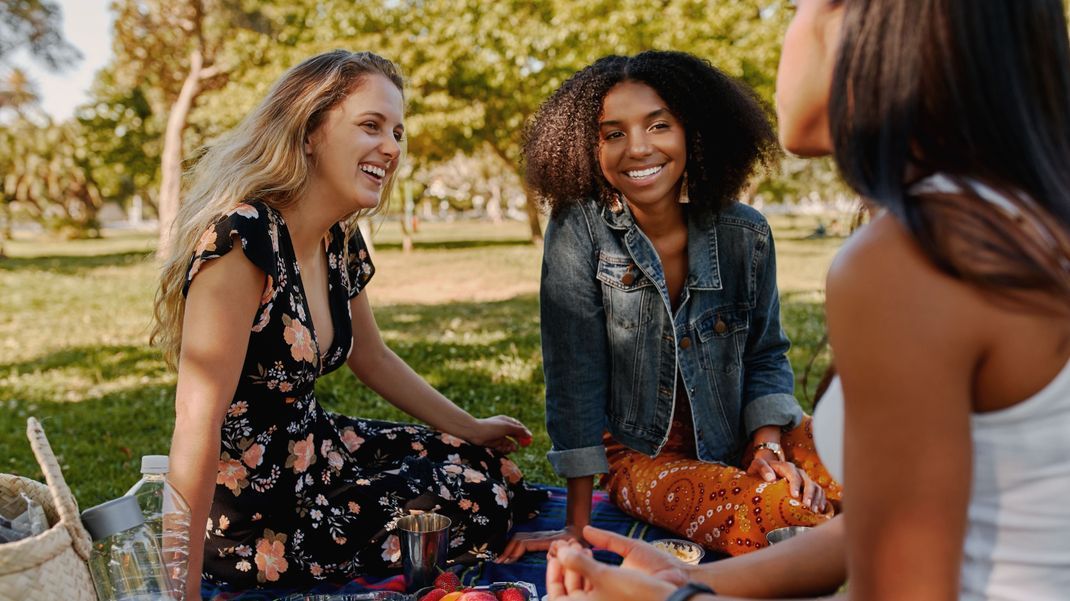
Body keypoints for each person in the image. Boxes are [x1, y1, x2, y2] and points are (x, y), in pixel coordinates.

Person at [545, 0, 1070, 599]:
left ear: (867, 27)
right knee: (782, 500)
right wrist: (688, 577)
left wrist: (678, 598)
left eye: (799, 6)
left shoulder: (911, 256)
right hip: (649, 457)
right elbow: (880, 528)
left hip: (745, 446)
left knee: (793, 493)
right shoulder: (1017, 220)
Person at [151, 50, 548, 597]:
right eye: (371, 125)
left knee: (481, 465)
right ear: (310, 131)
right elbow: (196, 419)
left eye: (398, 132)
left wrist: (472, 426)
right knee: (471, 497)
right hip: (256, 517)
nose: (392, 147)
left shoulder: (339, 238)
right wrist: (180, 590)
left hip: (319, 452)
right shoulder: (243, 240)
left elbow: (372, 356)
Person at [500, 50, 841, 563]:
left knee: (880, 461)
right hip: (642, 457)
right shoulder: (579, 230)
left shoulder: (745, 233)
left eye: (658, 125)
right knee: (777, 510)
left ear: (693, 132)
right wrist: (576, 527)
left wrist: (768, 449)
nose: (637, 148)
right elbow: (574, 379)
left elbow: (766, 354)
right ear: (586, 148)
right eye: (613, 134)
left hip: (746, 435)